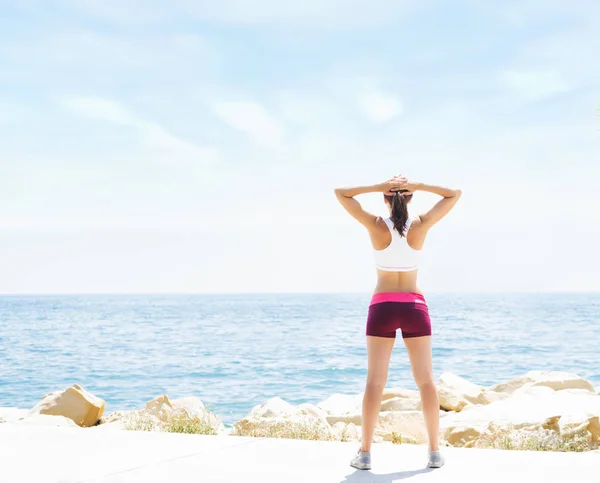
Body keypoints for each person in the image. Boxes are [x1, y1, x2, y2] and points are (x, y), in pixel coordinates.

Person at [334, 175, 462, 470]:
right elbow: (454, 194)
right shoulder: (420, 224)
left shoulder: (376, 226)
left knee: (375, 382)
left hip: (382, 307)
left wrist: (377, 187)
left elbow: (341, 193)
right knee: (426, 381)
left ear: (385, 199)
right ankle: (434, 452)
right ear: (411, 198)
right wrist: (420, 185)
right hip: (415, 306)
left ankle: (364, 454)